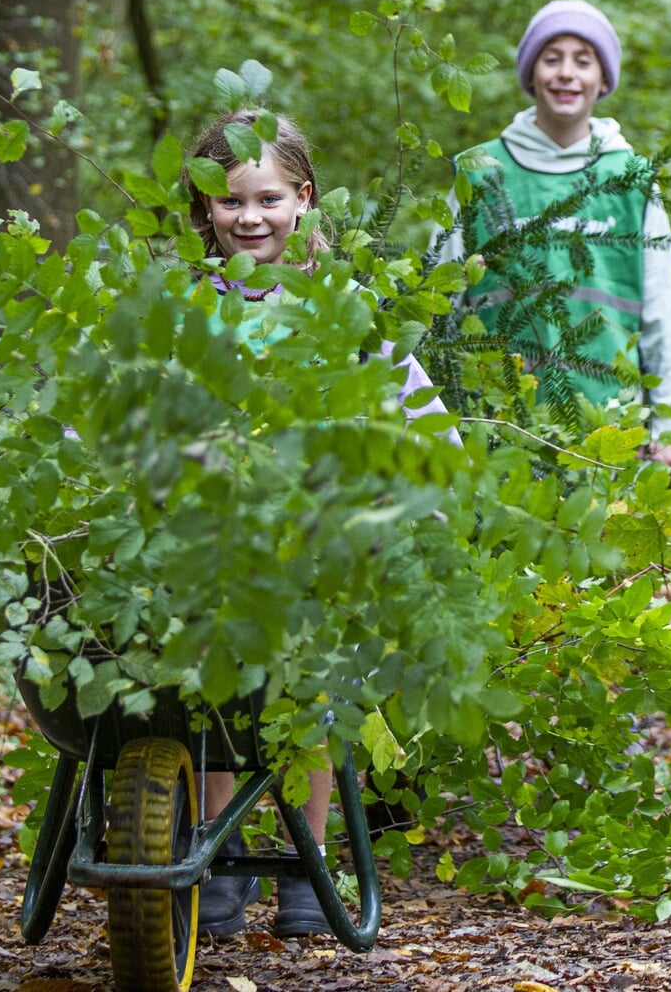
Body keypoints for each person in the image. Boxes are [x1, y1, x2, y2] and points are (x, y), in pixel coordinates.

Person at [182, 107, 448, 940]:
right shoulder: (188, 309)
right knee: (211, 689)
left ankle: (308, 853)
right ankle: (217, 851)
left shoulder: (342, 311)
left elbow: (421, 422)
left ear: (303, 200)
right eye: (230, 203)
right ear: (205, 212)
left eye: (266, 198)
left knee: (311, 687)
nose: (249, 217)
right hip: (212, 551)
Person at [447, 0, 671, 463]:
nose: (566, 73)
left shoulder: (632, 178)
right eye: (552, 57)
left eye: (584, 60)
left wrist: (668, 421)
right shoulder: (481, 171)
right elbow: (446, 293)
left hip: (610, 415)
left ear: (603, 80)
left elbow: (662, 304)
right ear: (531, 72)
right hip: (497, 412)